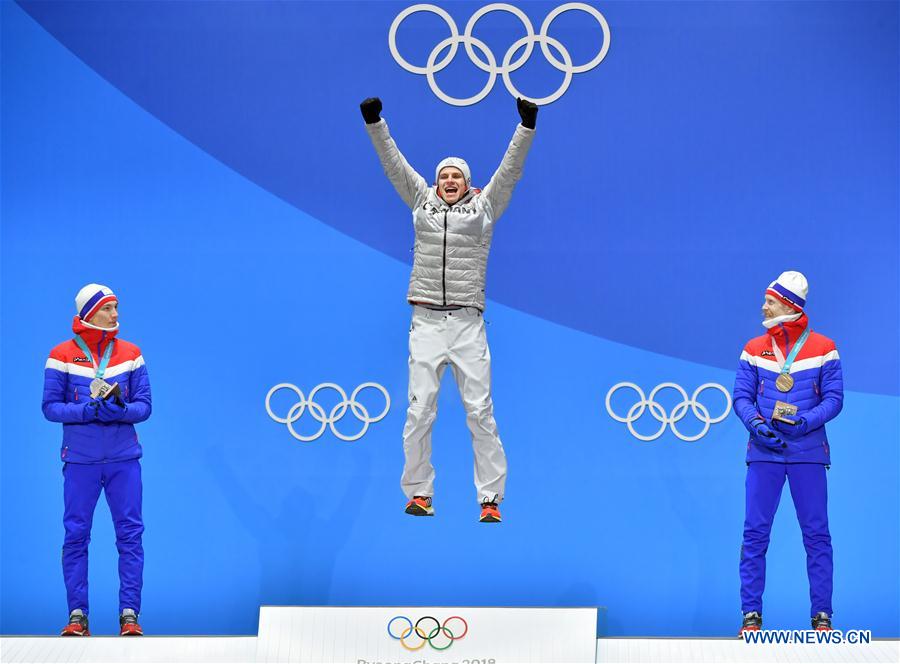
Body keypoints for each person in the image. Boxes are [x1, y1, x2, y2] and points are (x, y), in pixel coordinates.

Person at [360, 96, 537, 523]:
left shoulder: (484, 208)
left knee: (480, 411)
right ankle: (419, 493)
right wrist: (375, 122)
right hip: (425, 323)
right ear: (436, 182)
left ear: (468, 182)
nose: (450, 179)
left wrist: (526, 127)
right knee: (419, 411)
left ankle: (490, 499)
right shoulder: (421, 202)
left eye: (457, 175)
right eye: (444, 175)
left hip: (467, 324)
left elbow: (510, 170)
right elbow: (393, 163)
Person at [732, 271, 843, 634]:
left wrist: (806, 421)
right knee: (755, 534)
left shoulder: (824, 347)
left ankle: (822, 618)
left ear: (788, 304)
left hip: (808, 453)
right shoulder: (753, 348)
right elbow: (741, 398)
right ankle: (751, 617)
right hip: (764, 453)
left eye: (770, 300)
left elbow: (834, 399)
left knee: (816, 535)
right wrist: (758, 426)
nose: (763, 305)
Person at [42, 284, 152, 636]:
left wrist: (120, 409)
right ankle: (77, 615)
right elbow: (50, 408)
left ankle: (130, 615)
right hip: (80, 461)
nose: (115, 314)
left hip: (124, 460)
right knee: (76, 536)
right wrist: (86, 411)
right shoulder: (61, 355)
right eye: (108, 308)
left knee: (130, 536)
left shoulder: (132, 353)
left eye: (117, 307)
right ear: (89, 312)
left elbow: (145, 407)